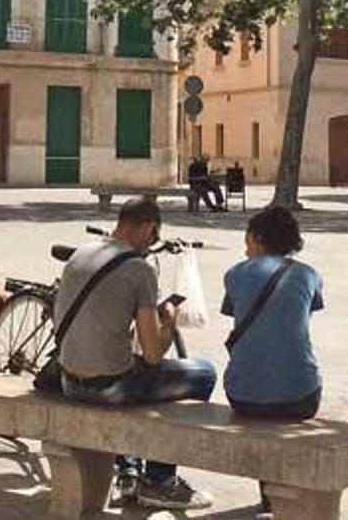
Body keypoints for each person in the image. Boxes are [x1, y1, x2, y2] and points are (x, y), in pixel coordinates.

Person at [57, 197, 215, 511]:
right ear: (147, 228)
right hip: (108, 388)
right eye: (153, 237)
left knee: (136, 373)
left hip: (67, 382)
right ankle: (159, 481)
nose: (151, 244)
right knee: (203, 374)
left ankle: (128, 470)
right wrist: (168, 322)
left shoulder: (82, 253)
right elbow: (153, 354)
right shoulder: (139, 269)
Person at [221, 206, 324, 518]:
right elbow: (301, 318)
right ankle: (285, 498)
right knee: (287, 384)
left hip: (243, 395)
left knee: (263, 392)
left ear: (258, 238)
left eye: (247, 240)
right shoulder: (309, 274)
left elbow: (236, 316)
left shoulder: (236, 273)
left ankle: (269, 497)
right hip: (300, 397)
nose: (245, 248)